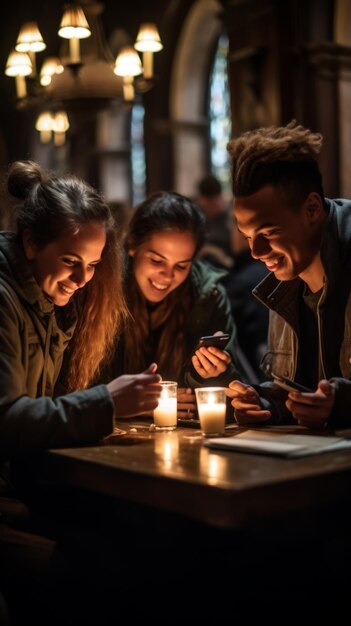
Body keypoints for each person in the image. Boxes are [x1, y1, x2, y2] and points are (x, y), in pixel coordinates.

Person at [0, 160, 161, 471]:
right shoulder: (5, 299)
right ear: (31, 243)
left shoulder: (54, 304)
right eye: (70, 260)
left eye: (91, 264)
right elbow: (6, 422)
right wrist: (106, 402)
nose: (82, 278)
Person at [225, 120, 351, 429]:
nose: (256, 251)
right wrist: (262, 404)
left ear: (311, 210)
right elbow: (297, 389)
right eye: (247, 235)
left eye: (269, 232)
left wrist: (342, 404)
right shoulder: (284, 279)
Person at [99, 190, 247, 419]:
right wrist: (141, 404)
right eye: (157, 260)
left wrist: (211, 375)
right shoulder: (102, 291)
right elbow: (78, 388)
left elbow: (230, 399)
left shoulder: (208, 296)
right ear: (132, 246)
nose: (167, 276)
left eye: (181, 266)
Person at [195, 173, 234, 269]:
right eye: (209, 204)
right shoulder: (196, 215)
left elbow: (234, 248)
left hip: (227, 262)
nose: (213, 208)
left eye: (215, 202)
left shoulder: (229, 215)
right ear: (200, 199)